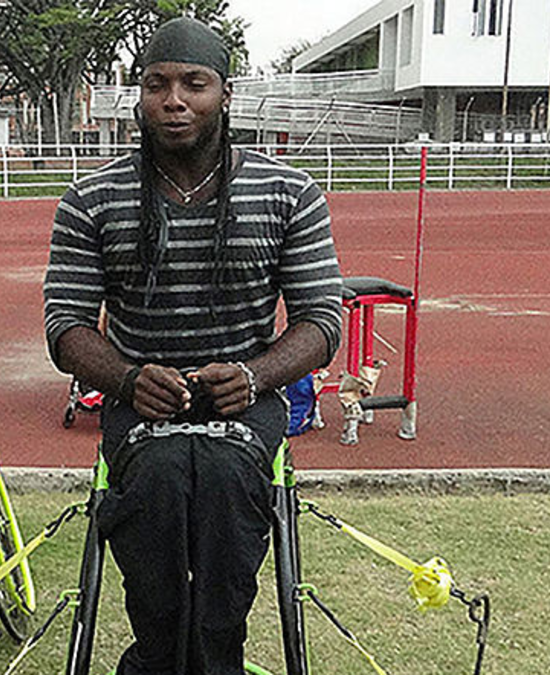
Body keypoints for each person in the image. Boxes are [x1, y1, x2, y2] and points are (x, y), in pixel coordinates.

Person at [42, 18, 343, 675]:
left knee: (226, 479)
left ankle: (213, 658)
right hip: (138, 405)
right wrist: (127, 379)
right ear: (140, 96)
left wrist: (255, 374)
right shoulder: (91, 199)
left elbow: (322, 320)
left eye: (193, 84)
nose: (173, 100)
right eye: (156, 85)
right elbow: (65, 325)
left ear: (225, 94)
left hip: (246, 404)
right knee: (159, 477)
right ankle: (157, 657)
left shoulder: (289, 193)